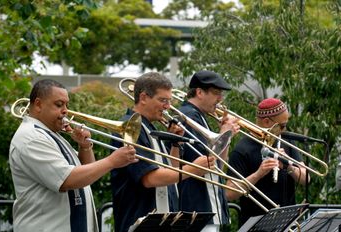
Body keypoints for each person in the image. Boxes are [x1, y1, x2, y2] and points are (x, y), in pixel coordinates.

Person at [9, 79, 137, 232]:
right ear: (38, 104)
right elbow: (67, 180)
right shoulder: (32, 137)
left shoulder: (51, 135)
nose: (65, 111)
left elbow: (86, 174)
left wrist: (85, 147)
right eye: (59, 104)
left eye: (66, 105)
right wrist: (112, 161)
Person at [110, 72, 215, 232]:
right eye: (162, 100)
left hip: (162, 221)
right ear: (144, 97)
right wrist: (193, 169)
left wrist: (175, 144)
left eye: (169, 101)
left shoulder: (149, 128)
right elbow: (149, 178)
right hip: (138, 223)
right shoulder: (130, 128)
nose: (167, 106)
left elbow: (169, 173)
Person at [226, 98, 309, 226]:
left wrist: (288, 165)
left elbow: (306, 179)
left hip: (287, 222)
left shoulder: (286, 142)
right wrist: (258, 174)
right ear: (266, 121)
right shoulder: (242, 149)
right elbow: (229, 193)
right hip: (255, 224)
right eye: (282, 125)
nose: (284, 129)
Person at [178, 70, 240, 231]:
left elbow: (218, 165)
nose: (220, 99)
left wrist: (226, 136)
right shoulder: (189, 116)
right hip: (198, 207)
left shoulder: (199, 116)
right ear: (199, 92)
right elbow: (204, 161)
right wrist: (224, 133)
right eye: (216, 93)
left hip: (208, 206)